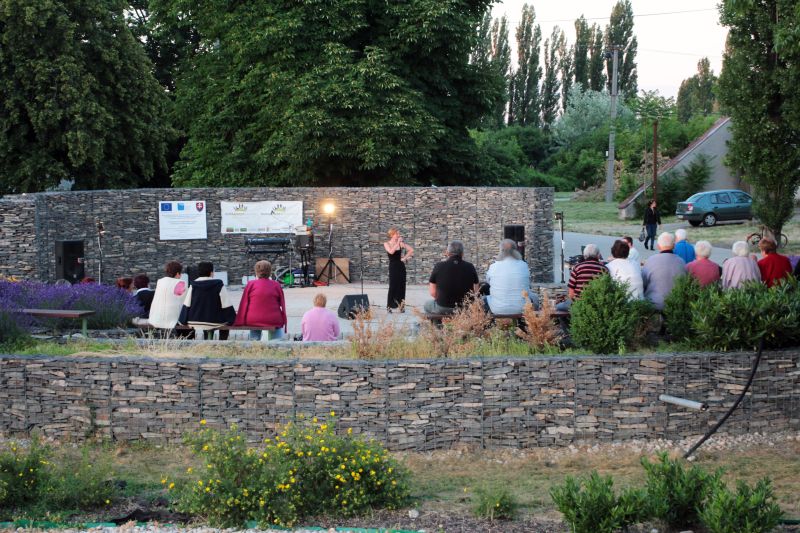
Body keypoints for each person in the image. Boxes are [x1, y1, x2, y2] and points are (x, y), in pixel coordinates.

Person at [178, 262, 236, 340]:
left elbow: (187, 304)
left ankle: (207, 341)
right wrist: (232, 319)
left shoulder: (193, 285)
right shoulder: (218, 284)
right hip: (214, 321)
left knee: (206, 323)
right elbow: (226, 304)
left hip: (195, 321)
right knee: (225, 323)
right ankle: (222, 343)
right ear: (211, 273)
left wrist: (182, 320)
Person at [234, 260, 287, 341]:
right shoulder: (276, 284)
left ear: (256, 272)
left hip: (253, 319)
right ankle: (277, 343)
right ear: (270, 271)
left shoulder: (250, 284)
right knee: (277, 333)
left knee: (254, 331)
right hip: (272, 319)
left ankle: (254, 344)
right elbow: (281, 303)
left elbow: (244, 303)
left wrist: (240, 320)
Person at [424, 240, 479, 315]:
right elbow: (476, 292)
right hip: (465, 308)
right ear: (462, 254)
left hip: (443, 307)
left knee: (427, 305)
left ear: (447, 253)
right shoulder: (470, 266)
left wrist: (444, 300)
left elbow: (433, 293)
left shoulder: (438, 266)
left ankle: (437, 322)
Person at [484, 239, 538, 314]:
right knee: (534, 297)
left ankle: (486, 321)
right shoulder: (523, 265)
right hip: (522, 308)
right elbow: (528, 282)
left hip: (497, 308)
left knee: (482, 299)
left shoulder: (493, 266)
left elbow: (488, 282)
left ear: (501, 251)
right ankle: (534, 320)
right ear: (515, 251)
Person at [642, 232, 687, 310]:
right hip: (676, 305)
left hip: (654, 305)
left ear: (658, 246)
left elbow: (643, 283)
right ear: (674, 246)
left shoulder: (650, 260)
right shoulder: (681, 262)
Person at [557, 244, 607, 310]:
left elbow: (571, 293)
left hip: (578, 304)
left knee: (557, 307)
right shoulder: (604, 269)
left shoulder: (577, 267)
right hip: (596, 305)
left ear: (584, 255)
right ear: (598, 255)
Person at [148, 261, 188, 331]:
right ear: (177, 273)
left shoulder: (160, 282)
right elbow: (185, 301)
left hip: (156, 318)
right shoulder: (180, 283)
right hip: (172, 320)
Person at [383, 228, 414, 312]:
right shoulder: (386, 244)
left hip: (401, 266)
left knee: (401, 286)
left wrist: (404, 258)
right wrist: (398, 243)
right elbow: (391, 252)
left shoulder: (400, 244)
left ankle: (401, 306)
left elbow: (411, 250)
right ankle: (389, 306)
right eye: (397, 234)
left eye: (398, 234)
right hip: (393, 266)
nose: (398, 235)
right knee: (393, 285)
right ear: (392, 235)